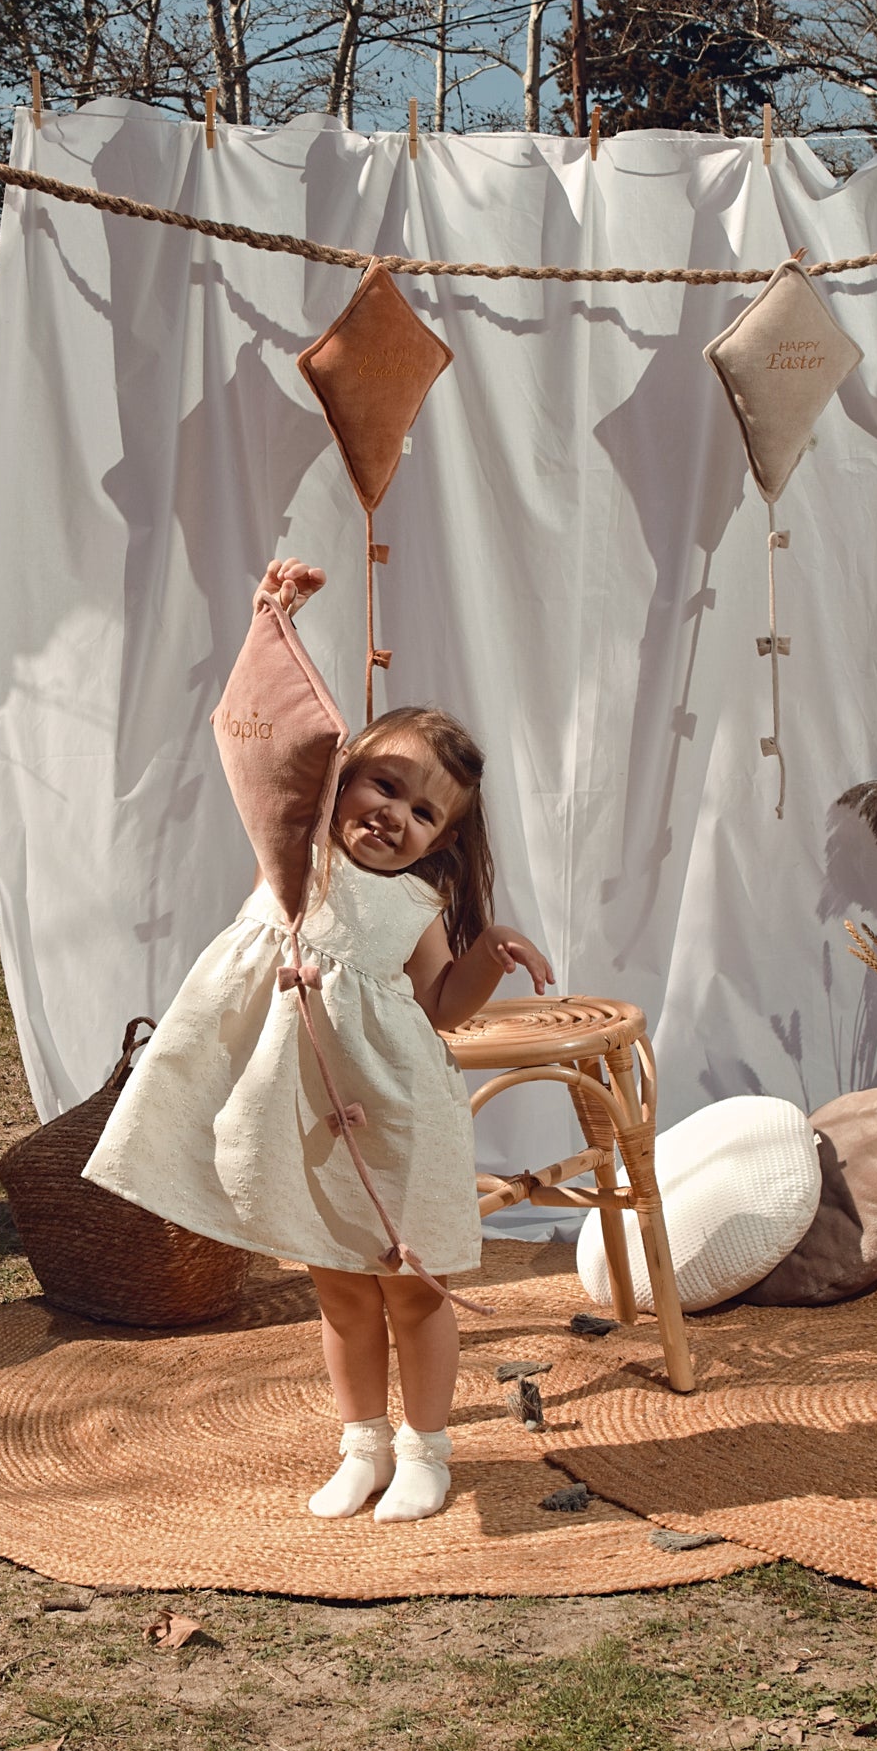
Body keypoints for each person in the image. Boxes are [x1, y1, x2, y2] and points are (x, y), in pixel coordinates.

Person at [83, 557, 554, 1524]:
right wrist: (273, 618)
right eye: (384, 784)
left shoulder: (418, 904)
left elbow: (438, 1008)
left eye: (423, 813)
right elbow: (258, 732)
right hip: (307, 1119)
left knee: (411, 1289)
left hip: (396, 1118)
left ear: (441, 843)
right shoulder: (294, 854)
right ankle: (362, 1446)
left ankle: (425, 1450)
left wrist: (488, 953)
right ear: (339, 781)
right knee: (338, 1291)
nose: (394, 815)